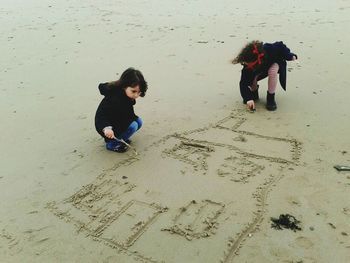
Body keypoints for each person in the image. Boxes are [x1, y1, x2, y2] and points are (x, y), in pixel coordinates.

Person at [232, 40, 297, 111]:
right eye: (246, 63)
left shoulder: (269, 49)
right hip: (259, 68)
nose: (247, 65)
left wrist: (290, 56)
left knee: (272, 71)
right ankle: (254, 92)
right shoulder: (247, 67)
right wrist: (248, 99)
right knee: (251, 76)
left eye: (248, 63)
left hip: (273, 62)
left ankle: (271, 97)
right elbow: (243, 83)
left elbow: (280, 46)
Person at [95, 68, 148, 152]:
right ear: (124, 86)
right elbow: (101, 116)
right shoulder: (114, 98)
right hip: (106, 126)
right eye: (133, 91)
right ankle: (111, 143)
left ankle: (120, 138)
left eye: (139, 92)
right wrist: (106, 128)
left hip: (118, 120)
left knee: (138, 122)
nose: (136, 95)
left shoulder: (127, 96)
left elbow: (127, 112)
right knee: (133, 125)